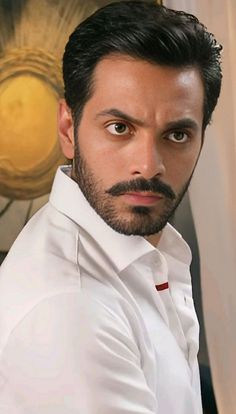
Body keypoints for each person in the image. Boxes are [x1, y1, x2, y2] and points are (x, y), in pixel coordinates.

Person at [0, 1, 222, 413]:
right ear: (68, 129)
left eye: (176, 135)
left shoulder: (145, 253)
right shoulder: (71, 311)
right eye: (120, 128)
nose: (149, 166)